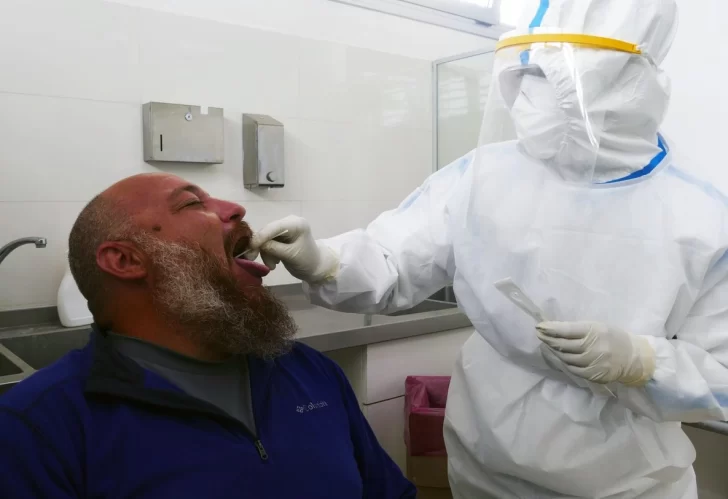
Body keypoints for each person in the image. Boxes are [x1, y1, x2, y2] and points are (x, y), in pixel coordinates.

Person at [251, 1, 728, 497]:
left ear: (631, 77)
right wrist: (325, 262)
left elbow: (721, 375)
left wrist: (641, 362)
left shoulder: (702, 216)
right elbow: (392, 260)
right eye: (526, 74)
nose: (533, 95)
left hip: (627, 484)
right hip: (484, 467)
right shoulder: (484, 175)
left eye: (554, 73)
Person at [0, 173, 415, 499]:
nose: (235, 209)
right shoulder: (38, 429)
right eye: (192, 203)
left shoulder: (311, 373)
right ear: (125, 260)